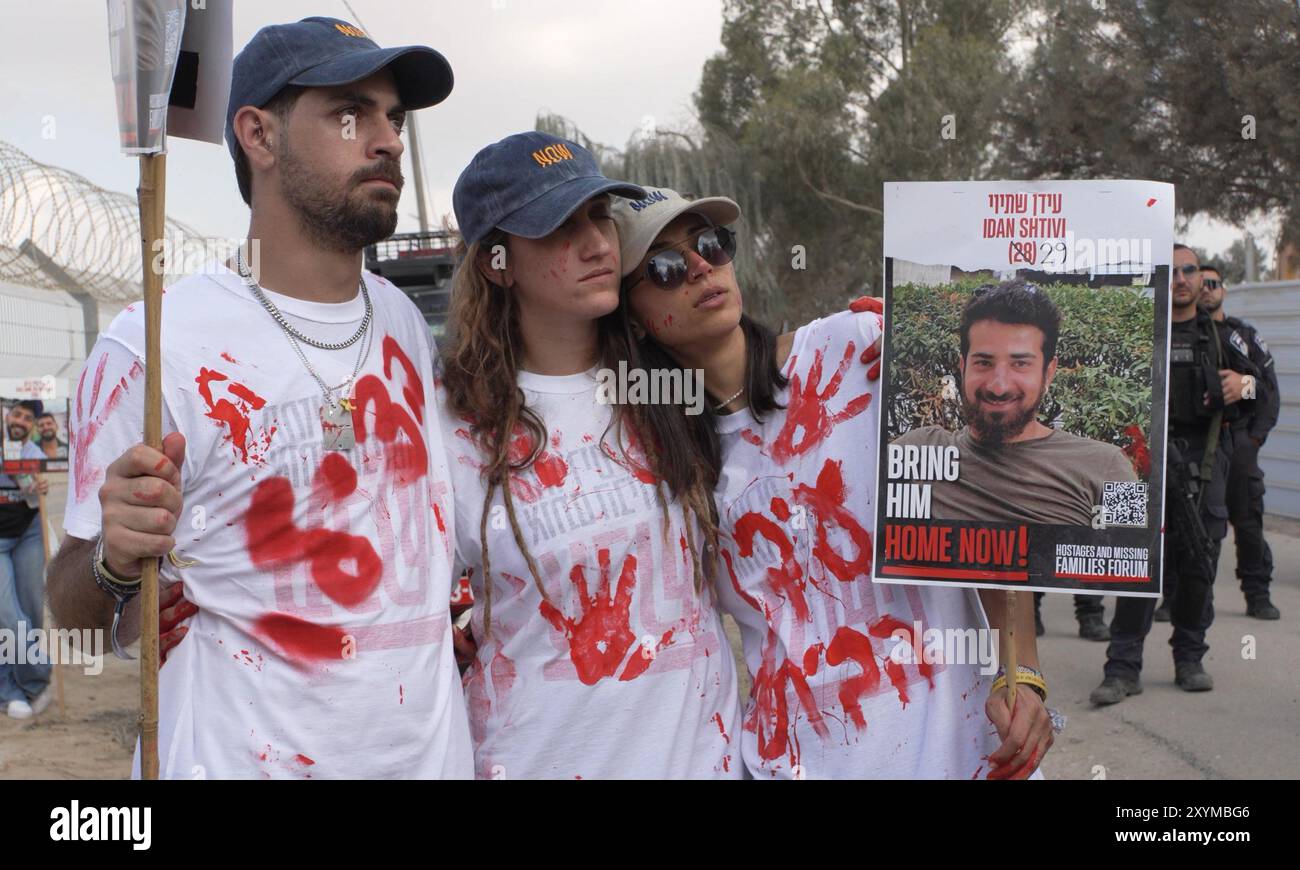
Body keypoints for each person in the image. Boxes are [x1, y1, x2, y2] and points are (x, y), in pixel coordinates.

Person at [47, 17, 474, 778]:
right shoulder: (156, 343)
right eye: (353, 111)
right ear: (259, 135)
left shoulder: (405, 322)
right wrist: (116, 558)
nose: (388, 140)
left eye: (394, 116)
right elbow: (76, 620)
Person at [612, 187, 1054, 779]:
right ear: (633, 320)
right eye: (665, 267)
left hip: (962, 748)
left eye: (710, 244)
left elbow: (987, 517)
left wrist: (1020, 672)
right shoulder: (652, 459)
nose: (700, 266)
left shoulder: (856, 349)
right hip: (804, 760)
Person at [439, 136, 743, 778]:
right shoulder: (453, 427)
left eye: (599, 215)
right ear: (499, 263)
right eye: (558, 228)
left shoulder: (669, 384)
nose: (597, 244)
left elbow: (773, 381)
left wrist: (882, 344)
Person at [891, 282, 1138, 640]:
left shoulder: (1107, 464)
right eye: (984, 363)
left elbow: (1142, 556)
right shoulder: (917, 453)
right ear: (962, 367)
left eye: (1020, 363)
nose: (999, 385)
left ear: (1049, 372)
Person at [1092, 245, 1262, 704]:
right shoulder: (1133, 328)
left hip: (1202, 466)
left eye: (1190, 270)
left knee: (1197, 569)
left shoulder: (1224, 335)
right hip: (1136, 464)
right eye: (1174, 271)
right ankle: (1121, 668)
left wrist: (1239, 385)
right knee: (1131, 566)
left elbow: (1261, 390)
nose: (1183, 279)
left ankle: (1190, 658)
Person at [1195, 264, 1280, 620]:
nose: (1206, 289)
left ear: (1224, 290)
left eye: (1213, 283)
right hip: (1195, 440)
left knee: (1247, 521)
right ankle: (1177, 596)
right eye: (1201, 283)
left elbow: (1267, 390)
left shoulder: (1242, 336)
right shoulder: (1181, 333)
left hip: (1239, 437)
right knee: (1192, 522)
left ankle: (1257, 593)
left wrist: (1254, 438)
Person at [1, 400, 52, 718]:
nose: (21, 420)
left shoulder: (34, 454)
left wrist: (38, 487)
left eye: (28, 417)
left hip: (28, 534)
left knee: (32, 611)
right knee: (9, 616)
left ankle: (28, 687)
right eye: (17, 414)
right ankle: (21, 685)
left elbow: (33, 499)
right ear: (8, 416)